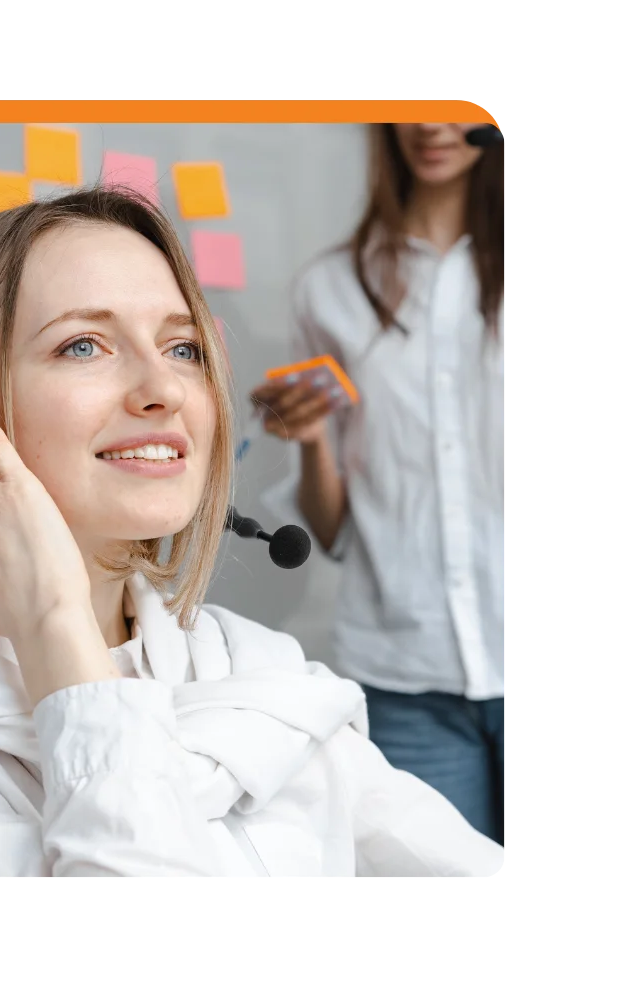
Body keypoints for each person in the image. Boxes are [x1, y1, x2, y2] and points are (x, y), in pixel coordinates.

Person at [0, 184, 506, 879]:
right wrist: (55, 627)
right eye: (84, 345)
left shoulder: (251, 674)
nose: (164, 390)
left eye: (183, 349)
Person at [249, 123, 506, 845]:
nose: (431, 124)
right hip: (402, 669)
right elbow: (328, 530)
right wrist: (307, 442)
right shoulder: (329, 289)